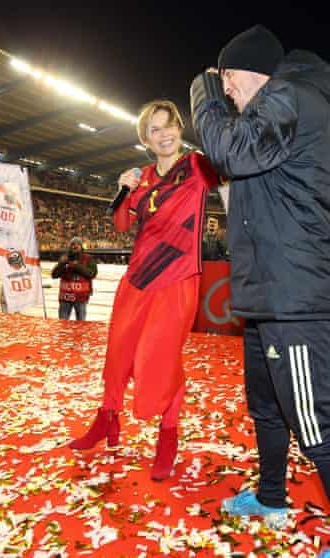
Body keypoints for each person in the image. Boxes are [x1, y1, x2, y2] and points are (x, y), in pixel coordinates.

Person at [191, 25, 330, 558]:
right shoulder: (283, 104)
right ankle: (272, 497)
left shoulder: (289, 97)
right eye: (217, 83)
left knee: (315, 423)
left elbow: (226, 150)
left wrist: (198, 90)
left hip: (294, 297)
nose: (224, 90)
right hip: (272, 291)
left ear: (251, 71)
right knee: (266, 408)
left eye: (226, 78)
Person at [67, 100, 220, 481]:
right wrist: (123, 187)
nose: (164, 134)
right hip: (136, 280)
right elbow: (121, 223)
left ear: (179, 128)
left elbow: (233, 180)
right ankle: (107, 421)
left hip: (178, 279)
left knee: (160, 359)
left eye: (169, 126)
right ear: (145, 139)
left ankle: (168, 436)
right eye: (155, 130)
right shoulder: (144, 176)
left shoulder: (198, 166)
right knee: (117, 355)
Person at [51, 236, 97, 321]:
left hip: (80, 297)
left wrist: (77, 266)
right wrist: (61, 264)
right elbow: (54, 275)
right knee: (62, 323)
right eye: (72, 244)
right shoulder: (64, 258)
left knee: (81, 323)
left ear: (81, 246)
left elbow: (92, 274)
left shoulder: (88, 258)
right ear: (69, 246)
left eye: (77, 244)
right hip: (65, 297)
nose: (74, 246)